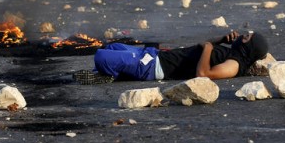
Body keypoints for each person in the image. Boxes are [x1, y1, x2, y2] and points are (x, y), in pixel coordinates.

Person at [73, 31, 269, 84]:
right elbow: (203, 46)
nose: (242, 37)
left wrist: (210, 47)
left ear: (249, 48)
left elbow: (203, 74)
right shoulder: (231, 52)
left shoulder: (233, 65)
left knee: (101, 57)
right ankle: (115, 74)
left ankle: (110, 73)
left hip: (153, 67)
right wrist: (220, 40)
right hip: (155, 56)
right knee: (113, 47)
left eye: (246, 38)